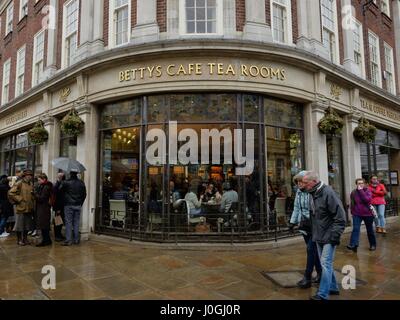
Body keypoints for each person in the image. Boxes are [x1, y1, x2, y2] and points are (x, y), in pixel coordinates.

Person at [302, 171, 346, 300]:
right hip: (318, 235)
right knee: (326, 264)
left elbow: (340, 217)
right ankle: (333, 287)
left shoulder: (328, 193)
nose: (303, 185)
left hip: (329, 235)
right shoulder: (312, 193)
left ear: (314, 182)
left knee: (325, 263)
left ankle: (322, 294)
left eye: (305, 183)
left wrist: (334, 237)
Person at [289, 171, 322, 289]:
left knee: (310, 249)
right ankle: (320, 273)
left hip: (314, 226)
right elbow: (296, 207)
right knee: (313, 251)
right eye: (297, 182)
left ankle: (307, 277)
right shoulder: (298, 192)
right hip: (304, 225)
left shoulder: (313, 191)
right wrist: (292, 222)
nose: (299, 184)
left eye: (301, 181)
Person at [347, 178, 376, 252]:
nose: (360, 185)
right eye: (358, 183)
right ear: (356, 184)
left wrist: (361, 191)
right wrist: (352, 212)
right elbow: (352, 203)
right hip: (357, 214)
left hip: (368, 214)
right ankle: (353, 244)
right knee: (356, 229)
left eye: (361, 183)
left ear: (364, 184)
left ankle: (373, 244)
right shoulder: (353, 192)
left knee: (369, 230)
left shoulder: (368, 191)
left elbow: (367, 200)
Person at [8, 169, 35, 246]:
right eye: (28, 175)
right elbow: (11, 193)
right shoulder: (19, 183)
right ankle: (19, 240)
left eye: (30, 175)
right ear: (24, 176)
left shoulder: (30, 184)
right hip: (21, 207)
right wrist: (20, 199)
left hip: (29, 208)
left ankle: (25, 239)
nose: (30, 177)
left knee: (27, 225)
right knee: (19, 225)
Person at [60, 171, 87, 246]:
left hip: (68, 204)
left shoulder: (66, 182)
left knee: (68, 223)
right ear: (76, 174)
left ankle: (68, 240)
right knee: (76, 223)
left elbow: (60, 191)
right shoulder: (81, 183)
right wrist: (80, 203)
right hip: (77, 205)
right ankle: (76, 239)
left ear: (70, 174)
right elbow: (84, 194)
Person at [34, 173, 53, 247]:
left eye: (39, 180)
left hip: (43, 208)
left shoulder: (46, 187)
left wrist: (35, 194)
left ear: (44, 179)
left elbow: (42, 198)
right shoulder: (43, 186)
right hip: (43, 208)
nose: (38, 181)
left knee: (44, 225)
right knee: (44, 225)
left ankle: (45, 241)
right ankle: (47, 240)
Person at [53, 172, 66, 242]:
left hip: (62, 206)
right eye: (59, 176)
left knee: (61, 222)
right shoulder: (57, 184)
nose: (60, 177)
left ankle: (59, 234)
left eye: (61, 176)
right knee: (57, 222)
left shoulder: (62, 183)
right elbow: (56, 196)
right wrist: (57, 208)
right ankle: (57, 236)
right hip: (58, 206)